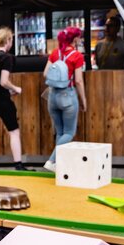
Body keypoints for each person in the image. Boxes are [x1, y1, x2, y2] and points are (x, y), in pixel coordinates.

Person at [0, 27, 31, 170]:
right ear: (8, 40)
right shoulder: (7, 58)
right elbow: (3, 81)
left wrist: (9, 89)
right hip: (2, 100)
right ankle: (18, 164)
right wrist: (16, 88)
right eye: (11, 39)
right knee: (13, 131)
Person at [43, 26, 87, 172]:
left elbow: (45, 73)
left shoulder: (55, 53)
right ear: (75, 39)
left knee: (61, 133)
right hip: (68, 96)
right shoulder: (77, 56)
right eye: (79, 37)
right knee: (69, 133)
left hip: (52, 96)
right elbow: (78, 81)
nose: (80, 39)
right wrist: (83, 101)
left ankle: (58, 164)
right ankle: (51, 161)